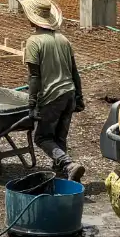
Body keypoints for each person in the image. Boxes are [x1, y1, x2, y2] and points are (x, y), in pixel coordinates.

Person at [22, 20, 85, 181]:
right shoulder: (63, 39)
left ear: (33, 20)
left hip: (52, 96)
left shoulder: (34, 41)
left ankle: (67, 164)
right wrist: (79, 96)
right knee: (59, 138)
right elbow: (74, 71)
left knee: (42, 138)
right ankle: (63, 175)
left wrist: (31, 104)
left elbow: (34, 76)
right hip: (69, 93)